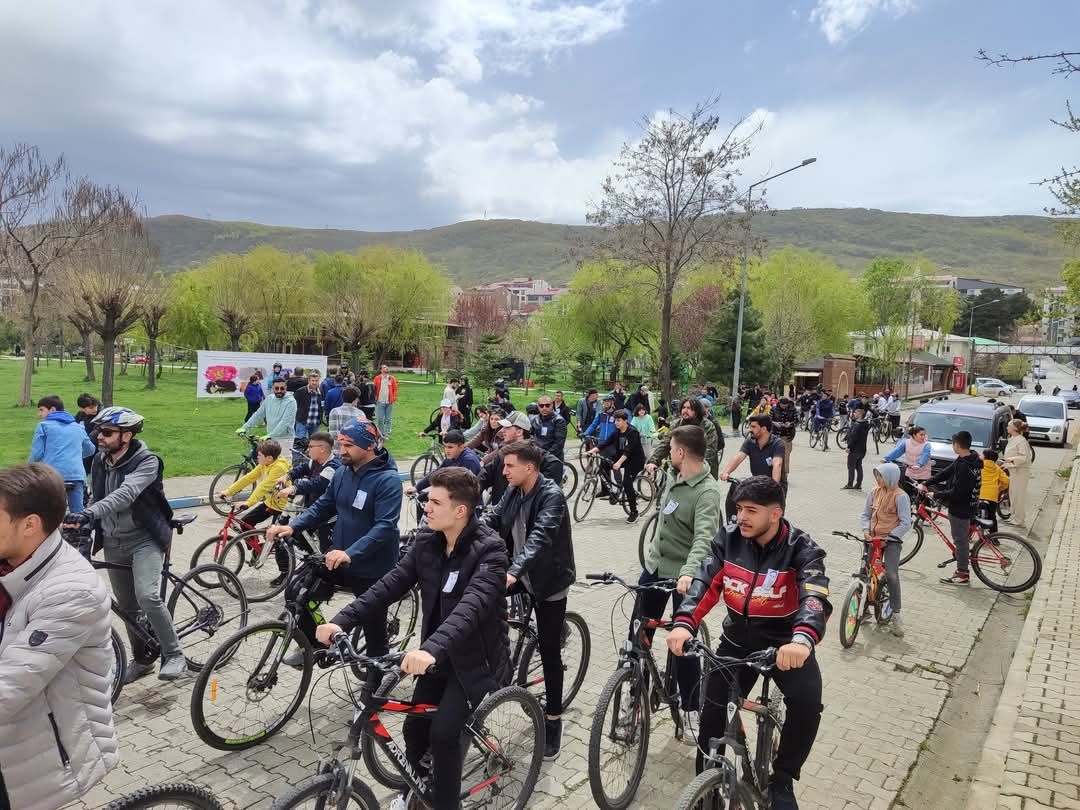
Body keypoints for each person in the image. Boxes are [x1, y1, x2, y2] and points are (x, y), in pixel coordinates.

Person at [316, 467, 510, 810]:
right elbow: (390, 584)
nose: (426, 507)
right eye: (427, 500)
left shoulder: (490, 551)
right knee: (414, 730)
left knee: (444, 734)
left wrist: (429, 649)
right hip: (435, 656)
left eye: (435, 502)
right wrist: (341, 620)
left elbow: (470, 608)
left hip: (473, 661)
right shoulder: (427, 541)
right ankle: (421, 789)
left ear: (460, 510)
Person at [667, 476, 830, 810]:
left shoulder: (802, 548)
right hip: (737, 641)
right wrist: (684, 624)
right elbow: (703, 581)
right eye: (739, 509)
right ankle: (707, 784)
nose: (741, 517)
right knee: (711, 708)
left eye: (751, 510)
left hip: (785, 645)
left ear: (775, 514)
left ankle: (783, 777)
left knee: (806, 702)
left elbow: (815, 597)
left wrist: (802, 640)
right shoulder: (728, 539)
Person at [1, 463, 119, 810]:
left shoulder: (70, 592)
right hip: (14, 743)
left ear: (29, 525)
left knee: (148, 594)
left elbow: (8, 687)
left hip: (40, 759)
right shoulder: (13, 561)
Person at [266, 419, 402, 657]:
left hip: (372, 568)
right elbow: (324, 506)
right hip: (338, 558)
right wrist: (293, 527)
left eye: (348, 445)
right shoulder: (341, 473)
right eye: (340, 444)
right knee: (296, 592)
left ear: (369, 446)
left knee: (374, 633)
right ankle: (319, 645)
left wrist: (350, 553)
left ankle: (374, 690)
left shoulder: (387, 481)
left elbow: (385, 527)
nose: (342, 450)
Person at [76, 407, 188, 681]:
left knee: (148, 597)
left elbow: (125, 495)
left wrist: (91, 512)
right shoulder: (101, 460)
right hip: (114, 540)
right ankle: (142, 660)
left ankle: (174, 654)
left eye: (106, 432)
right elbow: (97, 495)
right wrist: (83, 518)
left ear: (126, 436)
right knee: (127, 608)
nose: (99, 437)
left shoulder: (147, 461)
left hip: (144, 539)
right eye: (98, 431)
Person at [483, 442, 576, 760]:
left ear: (529, 468)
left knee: (549, 652)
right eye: (503, 466)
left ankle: (553, 722)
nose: (504, 471)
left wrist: (513, 571)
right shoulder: (514, 490)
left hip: (549, 581)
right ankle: (497, 669)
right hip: (520, 574)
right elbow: (493, 519)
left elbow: (541, 536)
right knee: (481, 606)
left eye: (509, 466)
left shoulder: (552, 495)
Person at [639, 426, 722, 730]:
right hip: (655, 568)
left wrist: (688, 573)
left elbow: (704, 539)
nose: (668, 451)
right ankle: (634, 691)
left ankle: (690, 707)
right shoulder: (675, 478)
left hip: (683, 575)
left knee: (683, 641)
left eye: (671, 447)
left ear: (681, 452)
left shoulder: (707, 492)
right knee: (639, 634)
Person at [919, 431, 982, 585]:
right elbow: (947, 472)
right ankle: (962, 566)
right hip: (969, 505)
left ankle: (962, 574)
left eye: (952, 443)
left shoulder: (966, 467)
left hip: (962, 508)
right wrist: (928, 482)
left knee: (960, 542)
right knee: (961, 540)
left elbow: (958, 493)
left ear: (957, 445)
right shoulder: (968, 458)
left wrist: (937, 494)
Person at [275, 431, 341, 570]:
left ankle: (322, 566)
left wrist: (293, 489)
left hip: (328, 514)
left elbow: (317, 484)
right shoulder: (316, 461)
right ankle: (311, 562)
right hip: (314, 508)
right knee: (299, 534)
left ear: (322, 448)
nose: (307, 449)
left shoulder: (333, 467)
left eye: (311, 446)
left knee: (325, 548)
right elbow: (303, 468)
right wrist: (287, 476)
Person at [859, 463, 910, 637]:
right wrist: (866, 530)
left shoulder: (901, 496)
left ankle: (896, 614)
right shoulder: (874, 492)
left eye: (880, 476)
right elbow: (865, 515)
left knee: (891, 575)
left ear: (890, 477)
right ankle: (863, 608)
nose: (878, 479)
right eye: (877, 476)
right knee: (865, 573)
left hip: (891, 542)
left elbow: (905, 523)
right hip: (872, 539)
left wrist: (891, 537)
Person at [28, 396, 96, 513]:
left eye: (41, 410)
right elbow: (91, 449)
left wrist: (28, 470)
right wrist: (75, 454)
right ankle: (77, 527)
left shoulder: (44, 426)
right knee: (77, 512)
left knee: (49, 512)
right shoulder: (78, 427)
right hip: (76, 475)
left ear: (52, 410)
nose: (39, 414)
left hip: (52, 475)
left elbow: (37, 454)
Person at [477, 412, 563, 504]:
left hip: (523, 515)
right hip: (500, 513)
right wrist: (469, 491)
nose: (502, 431)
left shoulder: (537, 455)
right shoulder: (503, 452)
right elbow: (486, 474)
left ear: (519, 431)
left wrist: (529, 499)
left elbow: (554, 466)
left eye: (507, 427)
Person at [588, 409, 646, 522]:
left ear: (625, 421)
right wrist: (593, 450)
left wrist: (619, 463)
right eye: (615, 420)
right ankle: (606, 490)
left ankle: (634, 512)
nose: (616, 423)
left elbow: (628, 451)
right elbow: (607, 442)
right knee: (604, 464)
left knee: (627, 483)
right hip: (621, 457)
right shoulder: (618, 431)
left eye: (618, 420)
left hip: (635, 461)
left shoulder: (632, 432)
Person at [216, 439, 291, 526]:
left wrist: (248, 503)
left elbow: (263, 487)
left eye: (259, 455)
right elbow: (248, 478)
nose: (257, 457)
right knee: (245, 523)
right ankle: (254, 539)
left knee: (276, 536)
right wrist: (228, 491)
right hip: (270, 502)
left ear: (269, 458)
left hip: (282, 507)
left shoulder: (279, 468)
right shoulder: (265, 464)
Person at [721, 414, 786, 495]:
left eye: (753, 427)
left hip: (775, 485)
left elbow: (777, 464)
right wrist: (726, 472)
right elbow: (739, 456)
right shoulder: (750, 441)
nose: (750, 429)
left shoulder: (777, 443)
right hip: (758, 483)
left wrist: (774, 486)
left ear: (763, 429)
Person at [406, 430, 482, 496]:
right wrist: (416, 488)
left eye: (450, 447)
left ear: (461, 447)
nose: (446, 450)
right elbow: (437, 473)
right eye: (445, 446)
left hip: (467, 502)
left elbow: (465, 489)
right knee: (422, 498)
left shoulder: (469, 461)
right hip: (454, 494)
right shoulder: (452, 456)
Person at [241, 378, 298, 458]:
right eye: (276, 388)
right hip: (271, 437)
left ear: (286, 388)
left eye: (282, 388)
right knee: (269, 463)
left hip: (285, 438)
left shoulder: (291, 402)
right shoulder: (269, 399)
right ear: (272, 388)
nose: (279, 391)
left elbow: (285, 422)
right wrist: (244, 427)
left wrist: (270, 435)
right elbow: (258, 414)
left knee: (284, 464)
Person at [883, 425, 933, 495]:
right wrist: (887, 458)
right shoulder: (906, 443)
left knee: (922, 494)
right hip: (910, 472)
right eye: (921, 435)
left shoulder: (927, 445)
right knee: (908, 492)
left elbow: (925, 455)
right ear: (914, 435)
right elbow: (897, 451)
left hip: (923, 474)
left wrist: (919, 464)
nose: (923, 437)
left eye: (924, 435)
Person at [1001, 418, 1033, 528]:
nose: (1007, 427)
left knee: (1019, 496)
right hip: (1014, 471)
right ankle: (1013, 516)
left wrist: (1011, 460)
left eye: (1009, 426)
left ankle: (1019, 519)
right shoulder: (1013, 439)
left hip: (1020, 472)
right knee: (1013, 495)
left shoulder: (1021, 441)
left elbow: (1024, 457)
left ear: (1014, 428)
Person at [328, 386, 369, 455]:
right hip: (355, 453)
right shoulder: (361, 413)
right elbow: (362, 435)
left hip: (337, 452)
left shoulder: (335, 411)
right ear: (355, 399)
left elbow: (333, 435)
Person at [978, 449, 1009, 534]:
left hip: (979, 494)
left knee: (972, 515)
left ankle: (968, 534)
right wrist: (999, 489)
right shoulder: (997, 468)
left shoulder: (979, 465)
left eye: (981, 455)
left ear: (984, 457)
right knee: (992, 516)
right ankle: (994, 537)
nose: (980, 456)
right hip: (992, 496)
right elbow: (1006, 481)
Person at [531, 394, 568, 462]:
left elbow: (558, 444)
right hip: (537, 456)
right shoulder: (534, 419)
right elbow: (530, 437)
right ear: (538, 407)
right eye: (541, 406)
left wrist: (545, 456)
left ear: (552, 405)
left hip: (553, 459)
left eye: (547, 405)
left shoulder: (559, 421)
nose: (544, 408)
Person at [843, 408, 872, 490]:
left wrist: (849, 447)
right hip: (862, 449)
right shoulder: (866, 424)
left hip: (854, 449)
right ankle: (858, 484)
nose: (854, 414)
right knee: (859, 466)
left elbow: (853, 437)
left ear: (859, 414)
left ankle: (850, 484)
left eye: (855, 412)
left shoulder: (857, 424)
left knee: (851, 467)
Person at [294, 371, 325, 442]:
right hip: (302, 422)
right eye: (312, 381)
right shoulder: (300, 391)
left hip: (315, 423)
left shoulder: (321, 391)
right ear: (308, 381)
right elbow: (294, 405)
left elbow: (322, 405)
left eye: (316, 381)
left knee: (314, 443)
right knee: (300, 443)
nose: (314, 383)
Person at [772, 396, 798, 476]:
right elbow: (769, 419)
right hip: (775, 434)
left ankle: (785, 473)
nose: (784, 406)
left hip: (787, 435)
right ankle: (774, 471)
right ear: (779, 403)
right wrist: (775, 423)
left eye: (785, 405)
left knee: (786, 455)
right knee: (774, 454)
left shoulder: (793, 409)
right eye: (782, 405)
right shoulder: (773, 409)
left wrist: (790, 424)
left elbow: (796, 420)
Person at [374, 364, 398, 438]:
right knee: (380, 419)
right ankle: (381, 433)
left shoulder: (391, 378)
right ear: (381, 370)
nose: (386, 368)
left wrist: (393, 398)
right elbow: (374, 389)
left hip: (389, 402)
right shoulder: (377, 378)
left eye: (387, 367)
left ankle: (387, 432)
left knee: (388, 419)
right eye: (384, 367)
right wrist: (375, 398)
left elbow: (395, 389)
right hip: (380, 401)